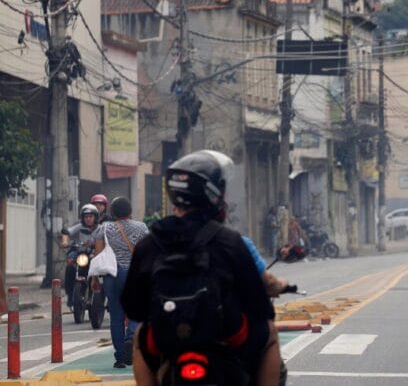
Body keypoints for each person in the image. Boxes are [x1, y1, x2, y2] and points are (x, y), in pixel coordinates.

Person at [121, 150, 280, 386]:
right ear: (214, 193)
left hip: (168, 337)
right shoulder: (230, 241)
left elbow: (133, 307)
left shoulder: (151, 243)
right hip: (227, 334)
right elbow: (259, 305)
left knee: (139, 338)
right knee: (270, 336)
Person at [93, 197, 148, 368]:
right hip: (133, 275)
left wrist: (95, 278)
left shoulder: (104, 228)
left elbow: (98, 255)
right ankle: (130, 337)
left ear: (113, 213)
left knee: (116, 316)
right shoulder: (141, 227)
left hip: (111, 276)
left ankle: (119, 357)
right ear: (130, 212)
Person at [62, 204, 100, 308]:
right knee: (70, 267)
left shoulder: (100, 228)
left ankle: (102, 294)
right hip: (80, 254)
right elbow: (66, 232)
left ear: (95, 217)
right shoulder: (79, 227)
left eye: (90, 216)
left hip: (94, 254)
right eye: (86, 216)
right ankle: (70, 294)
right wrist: (65, 242)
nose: (88, 219)